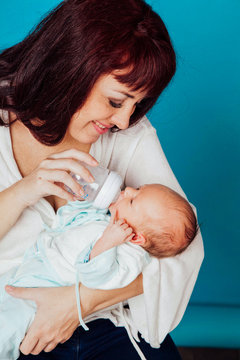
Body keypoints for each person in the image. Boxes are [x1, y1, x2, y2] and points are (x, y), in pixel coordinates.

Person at [0, 0, 204, 359]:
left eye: (137, 105)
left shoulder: (127, 134)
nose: (125, 121)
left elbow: (182, 246)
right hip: (14, 323)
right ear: (72, 68)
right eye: (115, 101)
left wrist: (77, 302)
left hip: (103, 321)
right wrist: (25, 191)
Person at [0, 183, 198, 360]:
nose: (128, 190)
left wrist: (107, 242)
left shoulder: (130, 257)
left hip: (43, 291)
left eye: (132, 200)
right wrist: (82, 202)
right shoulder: (105, 219)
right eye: (137, 189)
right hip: (30, 268)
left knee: (8, 328)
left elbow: (94, 276)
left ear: (137, 238)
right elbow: (67, 221)